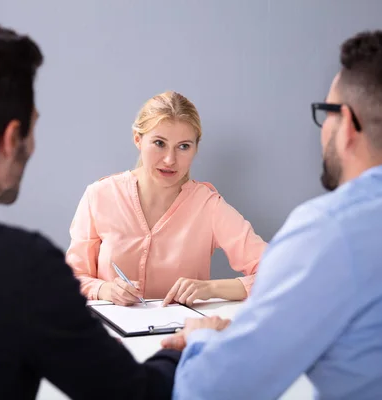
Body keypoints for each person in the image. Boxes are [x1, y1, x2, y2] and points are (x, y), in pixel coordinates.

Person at [0, 23, 209, 400]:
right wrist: (187, 347)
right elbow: (134, 394)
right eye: (33, 126)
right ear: (13, 138)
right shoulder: (24, 266)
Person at [161, 29, 382, 400]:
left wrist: (202, 338)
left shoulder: (328, 231)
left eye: (327, 113)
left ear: (348, 126)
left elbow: (209, 391)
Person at [65, 91, 268, 306]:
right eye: (159, 143)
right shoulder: (100, 196)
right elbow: (71, 278)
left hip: (178, 336)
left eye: (183, 147)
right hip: (108, 336)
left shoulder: (209, 206)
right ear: (138, 139)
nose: (170, 160)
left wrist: (211, 288)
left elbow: (277, 272)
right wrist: (105, 289)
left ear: (195, 149)